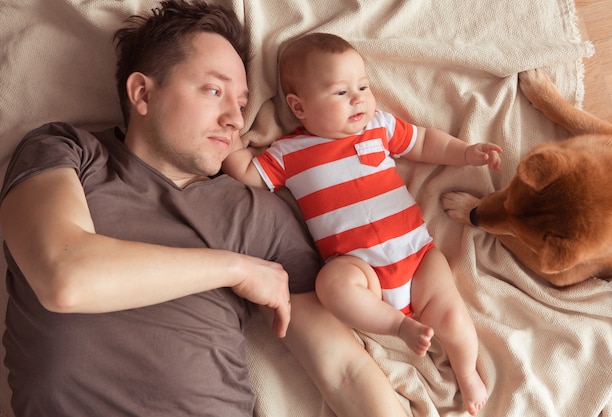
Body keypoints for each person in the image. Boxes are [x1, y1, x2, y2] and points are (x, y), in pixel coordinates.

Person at [0, 4, 410, 417]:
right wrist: (237, 269)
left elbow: (344, 371)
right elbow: (64, 277)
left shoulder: (258, 215)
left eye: (242, 101)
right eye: (214, 91)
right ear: (143, 93)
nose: (235, 119)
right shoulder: (66, 154)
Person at [223, 32, 502, 416]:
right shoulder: (289, 153)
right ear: (298, 107)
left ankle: (466, 370)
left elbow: (423, 143)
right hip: (360, 269)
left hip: (415, 255)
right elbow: (247, 176)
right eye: (340, 92)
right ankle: (396, 326)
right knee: (330, 284)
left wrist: (465, 153)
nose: (358, 98)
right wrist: (232, 140)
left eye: (363, 86)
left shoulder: (380, 127)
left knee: (451, 313)